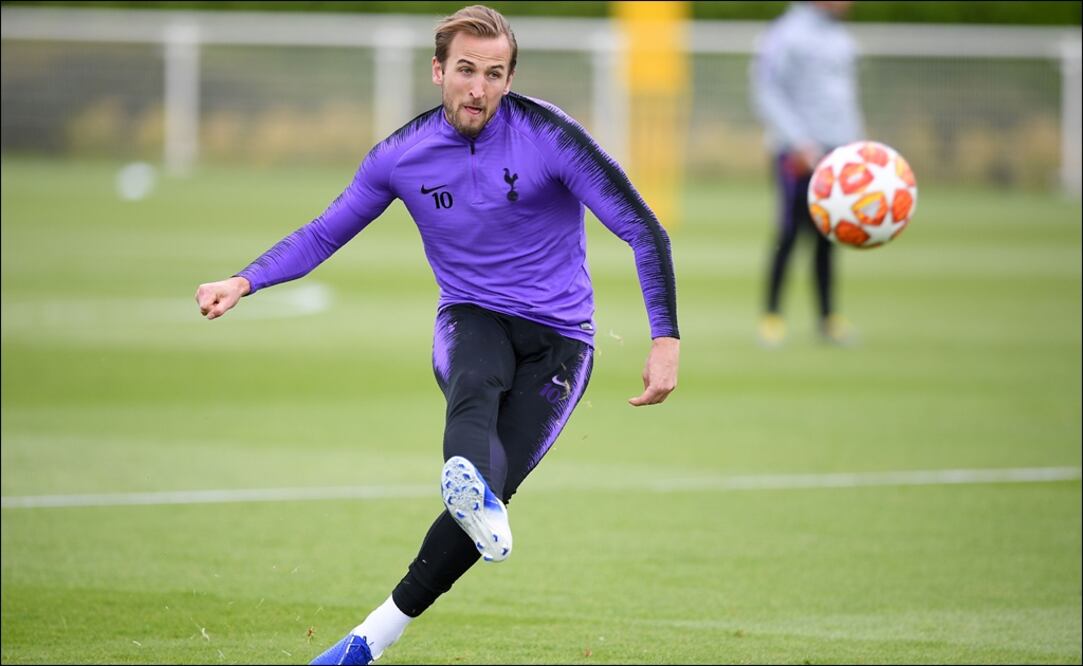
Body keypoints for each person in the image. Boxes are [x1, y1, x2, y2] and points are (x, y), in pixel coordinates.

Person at [194, 6, 680, 665]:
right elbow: (323, 232)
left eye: (493, 73)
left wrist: (664, 339)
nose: (476, 88)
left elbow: (642, 228)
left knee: (487, 501)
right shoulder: (401, 155)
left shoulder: (550, 137)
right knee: (473, 386)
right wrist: (244, 282)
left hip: (562, 342)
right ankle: (466, 479)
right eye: (464, 71)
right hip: (470, 315)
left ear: (509, 79)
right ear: (437, 71)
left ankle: (371, 636)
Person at [750, 0, 864, 346]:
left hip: (837, 152)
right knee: (789, 232)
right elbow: (766, 90)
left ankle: (828, 318)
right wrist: (798, 141)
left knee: (829, 236)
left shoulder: (841, 38)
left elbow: (843, 100)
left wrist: (856, 146)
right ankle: (772, 317)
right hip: (799, 154)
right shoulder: (786, 34)